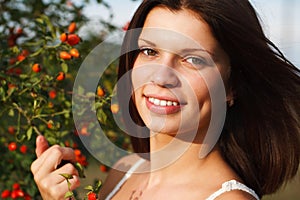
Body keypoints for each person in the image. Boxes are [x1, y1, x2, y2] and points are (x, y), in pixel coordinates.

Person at [31, 0, 300, 199]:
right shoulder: (126, 170)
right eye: (149, 51)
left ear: (233, 86)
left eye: (193, 60)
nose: (160, 76)